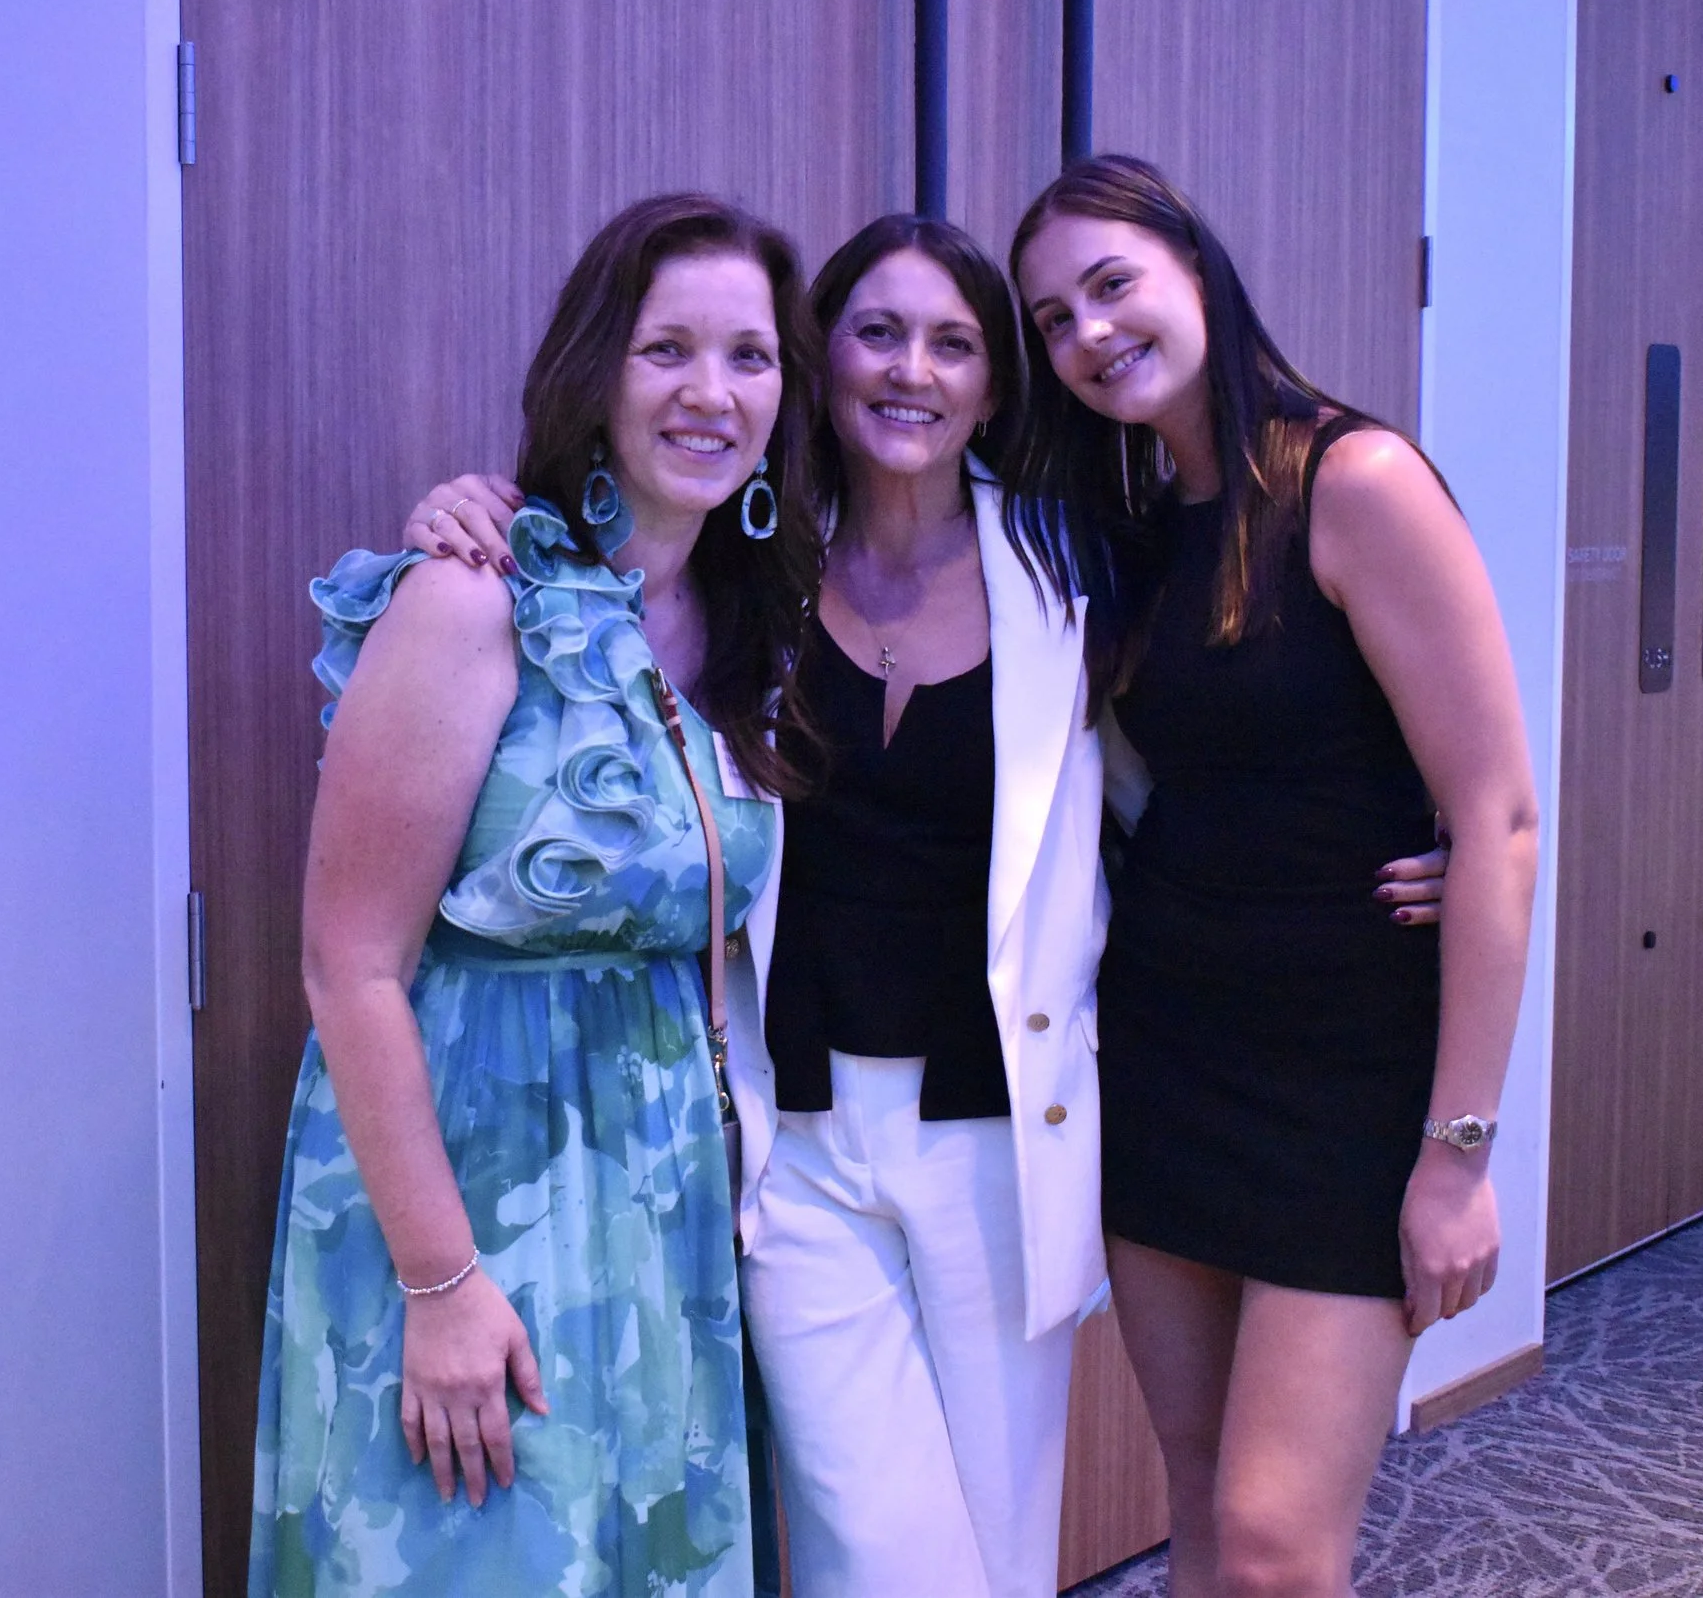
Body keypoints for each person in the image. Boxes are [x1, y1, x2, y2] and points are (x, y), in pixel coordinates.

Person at [402, 212, 1452, 1597]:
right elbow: (590, 566)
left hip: (999, 1141)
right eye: (879, 332)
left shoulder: (1076, 568)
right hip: (803, 1146)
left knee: (1003, 1556)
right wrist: (466, 506)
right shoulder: (747, 567)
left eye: (956, 342)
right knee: (874, 1553)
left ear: (995, 384)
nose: (914, 370)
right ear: (817, 361)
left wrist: (1416, 829)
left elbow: (1223, 740)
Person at [249, 193, 827, 1598]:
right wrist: (441, 1285)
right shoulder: (472, 601)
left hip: (659, 1205)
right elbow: (350, 967)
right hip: (469, 1195)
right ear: (593, 373)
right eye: (664, 350)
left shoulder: (749, 625)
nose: (711, 392)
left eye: (749, 357)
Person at [1008, 154, 1540, 1598]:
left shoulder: (1354, 480)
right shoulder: (1122, 527)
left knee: (1274, 1541)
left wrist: (1460, 1153)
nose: (1092, 332)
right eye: (1054, 319)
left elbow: (1497, 815)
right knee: (1198, 1504)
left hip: (1342, 1081)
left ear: (1195, 266)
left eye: (1112, 284)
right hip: (1172, 1052)